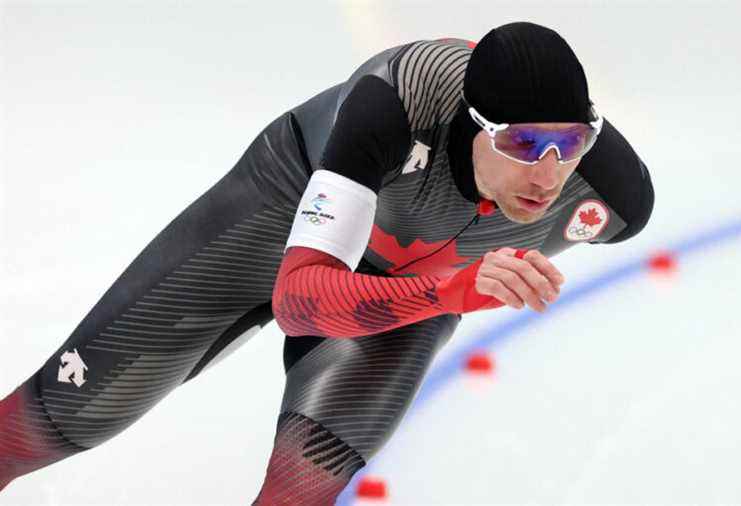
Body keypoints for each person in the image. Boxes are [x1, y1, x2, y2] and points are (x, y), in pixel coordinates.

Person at [0, 21, 654, 504]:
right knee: (46, 419)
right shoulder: (394, 105)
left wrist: (444, 291)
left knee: (301, 486)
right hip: (284, 209)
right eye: (522, 143)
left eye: (569, 143)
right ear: (473, 124)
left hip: (422, 287)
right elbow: (299, 302)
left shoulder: (610, 199)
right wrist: (450, 291)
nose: (548, 172)